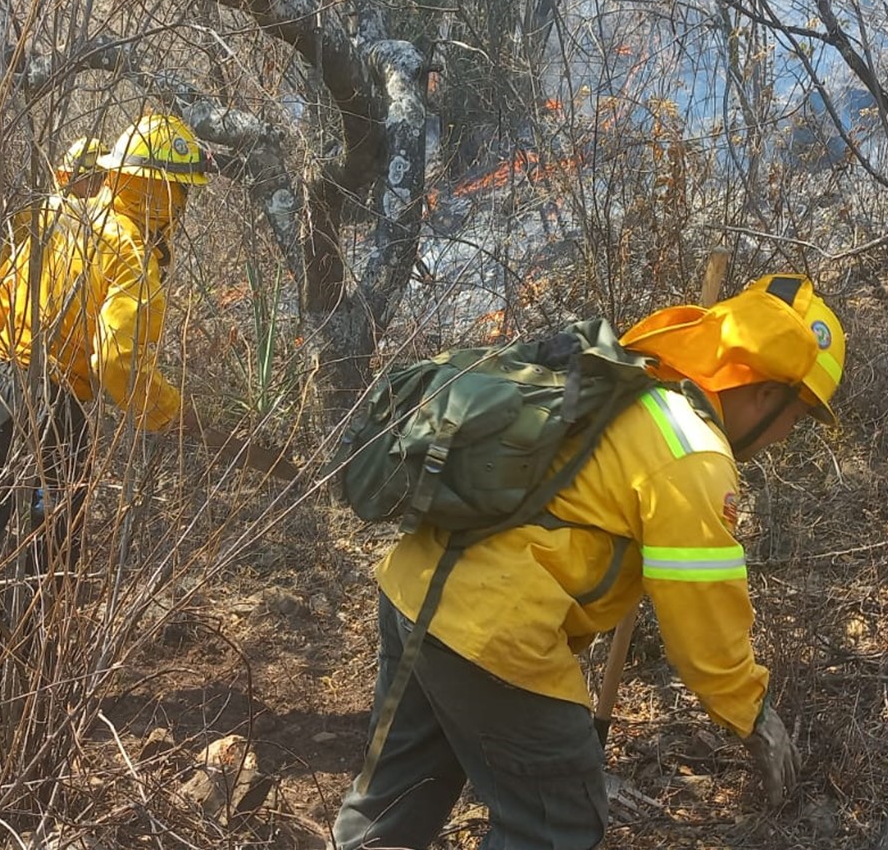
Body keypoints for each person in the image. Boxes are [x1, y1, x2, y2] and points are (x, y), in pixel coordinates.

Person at [333, 274, 846, 849]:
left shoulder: (636, 388)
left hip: (411, 592)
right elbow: (706, 625)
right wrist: (755, 715)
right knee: (557, 823)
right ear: (763, 391)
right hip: (492, 637)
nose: (784, 435)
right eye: (795, 417)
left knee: (393, 802)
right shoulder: (692, 454)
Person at [0, 113, 209, 581]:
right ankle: (33, 649)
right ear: (160, 194)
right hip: (55, 406)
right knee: (51, 549)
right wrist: (167, 412)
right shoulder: (130, 255)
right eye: (182, 190)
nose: (184, 204)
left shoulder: (55, 212)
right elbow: (115, 360)